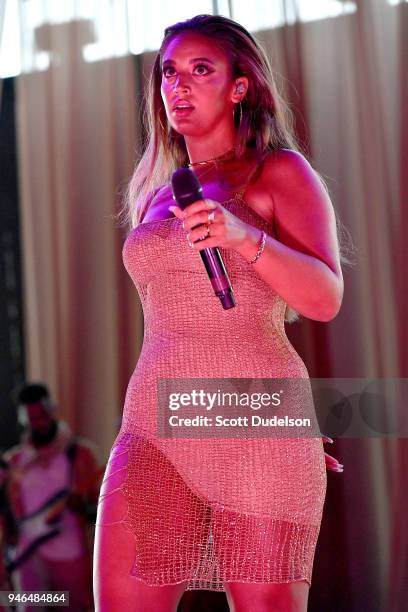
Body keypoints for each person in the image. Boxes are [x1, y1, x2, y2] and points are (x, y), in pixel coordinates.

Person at [93, 14, 345, 612]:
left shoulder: (279, 172)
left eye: (200, 69)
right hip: (153, 423)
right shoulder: (161, 191)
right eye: (169, 72)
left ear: (239, 86)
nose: (178, 85)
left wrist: (241, 236)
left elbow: (323, 298)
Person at [3, 382, 102, 612]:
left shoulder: (80, 454)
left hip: (70, 555)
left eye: (42, 415)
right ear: (23, 419)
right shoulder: (15, 461)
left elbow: (100, 509)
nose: (38, 422)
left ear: (52, 410)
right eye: (32, 418)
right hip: (30, 558)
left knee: (75, 606)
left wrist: (84, 506)